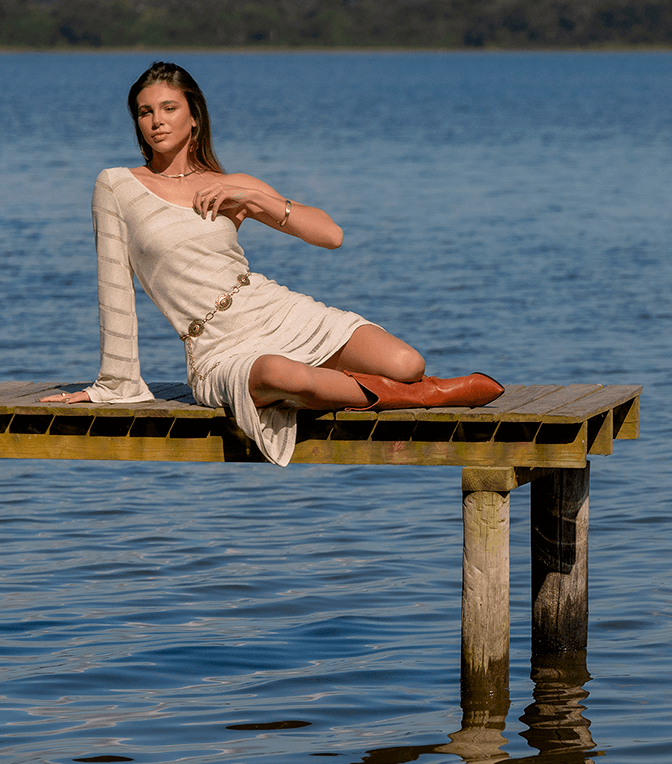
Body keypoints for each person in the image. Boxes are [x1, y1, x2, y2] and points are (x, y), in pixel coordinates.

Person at [40, 62, 503, 465]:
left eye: (168, 108)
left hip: (271, 309)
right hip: (216, 349)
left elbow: (331, 235)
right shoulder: (117, 185)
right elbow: (113, 287)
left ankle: (355, 389)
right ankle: (424, 396)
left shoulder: (230, 185)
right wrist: (115, 380)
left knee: (405, 361)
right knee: (276, 374)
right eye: (144, 112)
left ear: (194, 117)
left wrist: (254, 197)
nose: (156, 121)